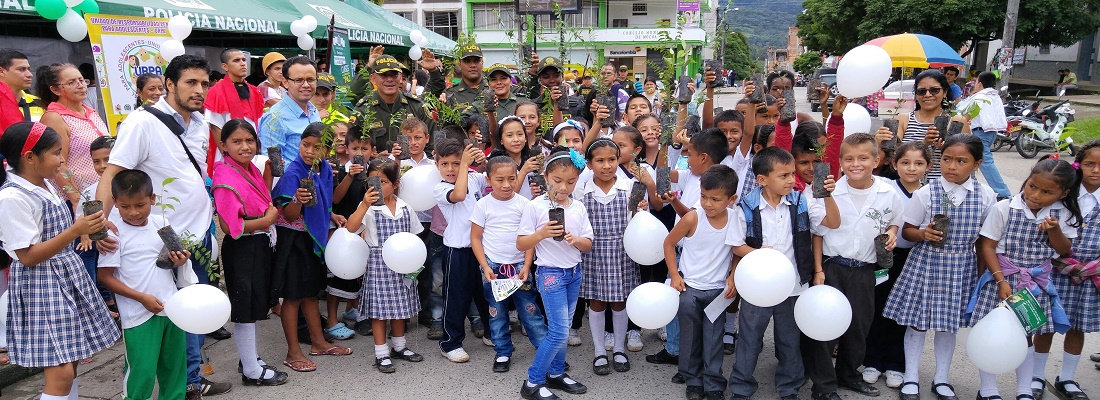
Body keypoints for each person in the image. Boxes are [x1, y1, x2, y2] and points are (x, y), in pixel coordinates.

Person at [96, 54, 231, 399]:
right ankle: (175, 384)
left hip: (199, 234)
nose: (200, 90)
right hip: (161, 240)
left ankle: (190, 381)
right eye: (191, 82)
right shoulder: (142, 123)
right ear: (169, 84)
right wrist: (96, 227)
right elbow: (113, 173)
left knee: (193, 313)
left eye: (204, 83)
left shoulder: (201, 123)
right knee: (168, 319)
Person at [0, 122, 119, 400]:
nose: (62, 159)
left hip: (64, 276)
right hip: (41, 285)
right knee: (61, 371)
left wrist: (92, 227)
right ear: (30, 157)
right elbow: (27, 256)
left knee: (71, 361)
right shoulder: (12, 197)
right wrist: (75, 231)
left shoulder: (44, 185)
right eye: (55, 153)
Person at [883, 134, 998, 400]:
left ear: (977, 164)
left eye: (961, 161)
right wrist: (923, 234)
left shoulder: (986, 196)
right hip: (927, 263)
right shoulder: (927, 192)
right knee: (918, 322)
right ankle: (911, 377)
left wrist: (981, 276)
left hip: (962, 265)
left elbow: (985, 240)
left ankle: (942, 378)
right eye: (947, 159)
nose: (952, 166)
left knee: (948, 325)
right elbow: (908, 230)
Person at [730, 145, 839, 400]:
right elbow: (736, 245)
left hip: (793, 286)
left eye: (792, 174)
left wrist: (828, 196)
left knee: (789, 340)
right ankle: (741, 387)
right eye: (784, 175)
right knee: (749, 340)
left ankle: (789, 387)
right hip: (757, 286)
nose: (792, 179)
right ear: (762, 180)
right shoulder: (746, 205)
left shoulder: (802, 201)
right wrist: (758, 253)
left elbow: (832, 223)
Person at [969, 156, 1080, 400]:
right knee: (990, 333)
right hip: (1002, 280)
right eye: (1032, 186)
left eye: (1047, 191)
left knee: (1026, 335)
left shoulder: (1063, 215)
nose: (1036, 195)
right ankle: (987, 389)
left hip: (1034, 286)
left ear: (1063, 193)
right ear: (1027, 180)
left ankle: (1024, 390)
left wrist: (1054, 230)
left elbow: (1064, 250)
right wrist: (1001, 281)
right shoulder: (1005, 208)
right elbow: (987, 246)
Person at [804, 133, 905, 400]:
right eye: (848, 159)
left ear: (876, 159)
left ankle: (848, 374)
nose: (855, 164)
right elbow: (818, 233)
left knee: (858, 326)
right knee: (826, 328)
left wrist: (893, 233)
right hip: (833, 266)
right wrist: (818, 271)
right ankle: (823, 386)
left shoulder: (888, 191)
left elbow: (895, 220)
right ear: (839, 162)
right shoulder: (827, 190)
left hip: (865, 270)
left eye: (863, 158)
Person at [97, 169, 194, 400]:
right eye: (124, 206)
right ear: (115, 203)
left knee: (174, 370)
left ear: (152, 199)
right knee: (142, 373)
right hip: (138, 315)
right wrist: (142, 298)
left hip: (170, 308)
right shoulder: (114, 235)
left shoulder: (162, 223)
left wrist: (180, 260)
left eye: (140, 205)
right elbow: (105, 277)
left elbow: (171, 259)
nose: (133, 212)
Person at [210, 119, 288, 386]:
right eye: (237, 141)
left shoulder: (247, 169)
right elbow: (232, 226)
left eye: (250, 141)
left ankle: (250, 359)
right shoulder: (224, 176)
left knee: (255, 305)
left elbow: (259, 197)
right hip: (244, 246)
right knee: (245, 308)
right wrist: (266, 222)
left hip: (258, 244)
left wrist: (267, 175)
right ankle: (251, 372)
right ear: (223, 145)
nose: (245, 147)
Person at [270, 122, 353, 373]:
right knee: (293, 297)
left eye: (317, 147)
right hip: (293, 241)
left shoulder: (324, 168)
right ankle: (292, 352)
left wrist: (332, 215)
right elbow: (292, 214)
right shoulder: (294, 172)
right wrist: (298, 199)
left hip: (311, 239)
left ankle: (318, 343)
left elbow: (328, 200)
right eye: (306, 145)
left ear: (326, 150)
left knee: (309, 293)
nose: (309, 151)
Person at [517, 146, 594, 400]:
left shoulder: (578, 207)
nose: (563, 187)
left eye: (571, 182)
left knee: (565, 326)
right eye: (557, 181)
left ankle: (556, 373)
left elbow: (588, 243)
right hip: (550, 274)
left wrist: (575, 240)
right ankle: (533, 382)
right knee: (559, 332)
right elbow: (521, 243)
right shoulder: (535, 206)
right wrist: (541, 234)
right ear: (546, 177)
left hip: (574, 273)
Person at [662, 164, 742, 400]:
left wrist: (732, 275)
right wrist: (675, 275)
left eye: (715, 199)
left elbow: (736, 249)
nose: (708, 204)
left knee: (714, 338)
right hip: (689, 289)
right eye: (704, 196)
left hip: (718, 291)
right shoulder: (692, 217)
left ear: (731, 199)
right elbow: (668, 243)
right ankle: (692, 379)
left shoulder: (735, 218)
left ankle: (713, 382)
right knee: (691, 336)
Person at [1031, 140, 1100, 400]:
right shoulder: (1063, 193)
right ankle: (1036, 376)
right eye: (1089, 164)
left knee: (1077, 327)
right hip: (1056, 270)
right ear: (1078, 165)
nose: (1095, 170)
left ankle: (1068, 378)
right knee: (1046, 325)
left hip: (1090, 274)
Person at [862, 142, 930, 390]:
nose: (911, 168)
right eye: (905, 162)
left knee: (903, 313)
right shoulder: (885, 187)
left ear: (928, 167)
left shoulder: (930, 193)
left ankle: (896, 365)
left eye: (919, 163)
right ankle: (872, 362)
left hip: (914, 261)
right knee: (878, 308)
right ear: (894, 164)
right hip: (883, 258)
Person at [346, 159, 425, 373]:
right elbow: (351, 228)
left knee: (400, 309)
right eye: (373, 181)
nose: (377, 186)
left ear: (396, 183)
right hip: (379, 265)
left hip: (403, 264)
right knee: (380, 312)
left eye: (383, 181)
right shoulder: (370, 209)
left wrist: (415, 265)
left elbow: (415, 236)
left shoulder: (406, 208)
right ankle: (381, 353)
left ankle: (399, 347)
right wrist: (364, 205)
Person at [471, 156, 547, 373]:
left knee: (530, 311)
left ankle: (545, 351)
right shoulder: (483, 205)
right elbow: (475, 238)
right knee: (497, 313)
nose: (506, 185)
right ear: (488, 180)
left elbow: (530, 237)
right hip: (494, 270)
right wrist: (485, 266)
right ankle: (503, 352)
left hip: (519, 268)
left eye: (511, 179)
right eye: (499, 179)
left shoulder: (524, 204)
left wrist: (527, 265)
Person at [577, 138, 643, 375]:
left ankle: (618, 348)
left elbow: (638, 222)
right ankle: (599, 351)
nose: (607, 166)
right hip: (593, 252)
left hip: (621, 251)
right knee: (596, 301)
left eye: (612, 160)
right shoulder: (581, 191)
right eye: (600, 160)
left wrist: (641, 211)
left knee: (619, 300)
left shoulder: (629, 187)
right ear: (589, 164)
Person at [434, 138, 491, 363]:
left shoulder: (475, 178)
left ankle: (490, 332)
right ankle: (450, 342)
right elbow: (458, 195)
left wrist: (482, 161)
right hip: (457, 251)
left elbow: (490, 176)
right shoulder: (441, 188)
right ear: (436, 164)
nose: (451, 169)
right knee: (456, 298)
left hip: (482, 250)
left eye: (456, 163)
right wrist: (466, 166)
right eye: (445, 164)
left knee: (486, 295)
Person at [36, 63, 109, 195]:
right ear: (56, 90)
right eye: (71, 82)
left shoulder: (91, 112)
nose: (80, 85)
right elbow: (57, 163)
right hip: (78, 198)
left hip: (101, 191)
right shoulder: (55, 118)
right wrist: (76, 198)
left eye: (81, 80)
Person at [328, 122, 369, 338]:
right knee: (339, 275)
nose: (359, 153)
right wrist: (350, 176)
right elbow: (335, 199)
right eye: (355, 148)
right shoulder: (340, 172)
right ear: (346, 148)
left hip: (363, 230)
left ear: (372, 150)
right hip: (343, 230)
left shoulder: (374, 173)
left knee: (358, 274)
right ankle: (332, 320)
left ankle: (352, 310)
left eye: (364, 149)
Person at [894, 69, 970, 180]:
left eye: (934, 90)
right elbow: (892, 155)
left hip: (945, 188)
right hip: (908, 187)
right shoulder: (903, 119)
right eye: (921, 91)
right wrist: (923, 144)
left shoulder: (956, 121)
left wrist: (946, 148)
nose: (927, 95)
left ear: (944, 93)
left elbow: (968, 159)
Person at [352, 55, 435, 155]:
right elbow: (352, 148)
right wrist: (373, 159)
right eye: (384, 75)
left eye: (394, 75)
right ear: (373, 79)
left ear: (400, 77)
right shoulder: (363, 109)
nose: (389, 79)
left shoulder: (416, 106)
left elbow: (432, 145)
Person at [205, 49, 265, 177]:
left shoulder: (254, 91)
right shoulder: (216, 92)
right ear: (224, 66)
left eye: (243, 60)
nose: (243, 63)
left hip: (249, 151)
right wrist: (229, 157)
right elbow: (216, 128)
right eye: (236, 60)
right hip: (227, 154)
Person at [258, 56, 320, 166]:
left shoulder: (313, 111)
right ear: (285, 82)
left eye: (310, 80)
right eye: (298, 80)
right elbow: (273, 167)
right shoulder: (275, 118)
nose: (306, 85)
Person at [958, 71, 1011, 199]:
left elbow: (963, 111)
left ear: (980, 84)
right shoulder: (995, 96)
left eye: (976, 82)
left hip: (980, 131)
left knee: (985, 163)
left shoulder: (980, 97)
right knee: (973, 159)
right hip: (991, 132)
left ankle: (1002, 193)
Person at [0, 50, 37, 131]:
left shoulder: (38, 103)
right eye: (22, 69)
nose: (29, 75)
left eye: (28, 69)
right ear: (1, 71)